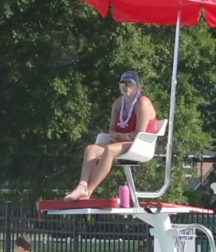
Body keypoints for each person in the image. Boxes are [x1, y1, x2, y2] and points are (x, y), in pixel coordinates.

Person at [63, 71, 158, 200]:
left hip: (141, 144)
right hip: (123, 142)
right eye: (123, 84)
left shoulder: (143, 103)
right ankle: (81, 186)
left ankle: (89, 191)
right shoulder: (118, 104)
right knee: (90, 149)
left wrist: (119, 136)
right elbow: (111, 130)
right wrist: (120, 136)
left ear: (138, 87)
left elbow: (138, 135)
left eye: (130, 83)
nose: (126, 87)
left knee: (109, 150)